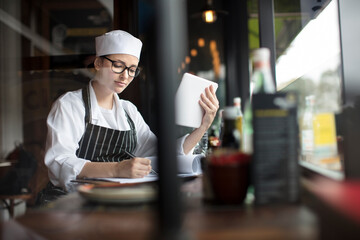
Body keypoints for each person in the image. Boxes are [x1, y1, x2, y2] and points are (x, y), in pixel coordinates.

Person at [44, 30, 219, 191]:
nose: (125, 76)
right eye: (118, 65)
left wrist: (202, 126)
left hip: (116, 201)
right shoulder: (69, 105)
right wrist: (116, 169)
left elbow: (159, 156)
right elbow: (59, 162)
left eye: (132, 70)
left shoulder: (129, 111)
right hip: (74, 204)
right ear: (98, 63)